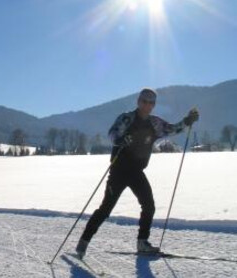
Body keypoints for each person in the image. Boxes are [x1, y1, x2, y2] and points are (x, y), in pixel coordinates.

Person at [76, 88, 199, 259]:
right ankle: (83, 242)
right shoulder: (127, 118)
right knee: (105, 209)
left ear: (154, 105)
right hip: (119, 171)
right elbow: (112, 133)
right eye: (145, 101)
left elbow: (172, 129)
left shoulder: (155, 124)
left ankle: (142, 242)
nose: (147, 105)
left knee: (149, 205)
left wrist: (187, 121)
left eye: (151, 102)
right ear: (138, 101)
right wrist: (120, 140)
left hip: (136, 172)